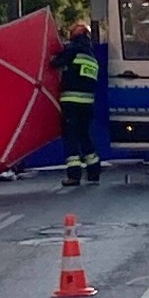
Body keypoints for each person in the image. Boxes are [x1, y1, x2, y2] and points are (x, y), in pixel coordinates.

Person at [51, 22, 100, 187]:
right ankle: (94, 172)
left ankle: (74, 175)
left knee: (71, 137)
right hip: (87, 103)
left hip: (70, 101)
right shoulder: (91, 55)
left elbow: (55, 63)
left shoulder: (73, 49)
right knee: (85, 136)